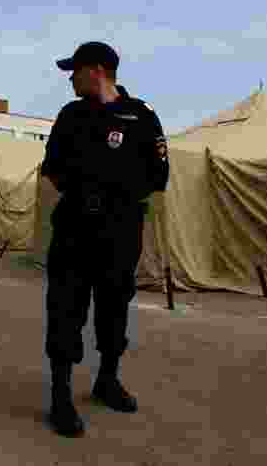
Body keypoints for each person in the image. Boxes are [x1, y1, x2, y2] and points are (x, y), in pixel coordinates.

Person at [40, 41, 170, 437]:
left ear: (96, 70)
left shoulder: (142, 116)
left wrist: (116, 195)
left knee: (115, 307)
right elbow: (53, 167)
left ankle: (107, 380)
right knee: (65, 308)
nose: (69, 78)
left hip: (120, 230)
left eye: (74, 71)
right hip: (75, 229)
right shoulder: (71, 115)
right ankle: (60, 396)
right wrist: (85, 193)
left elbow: (158, 176)